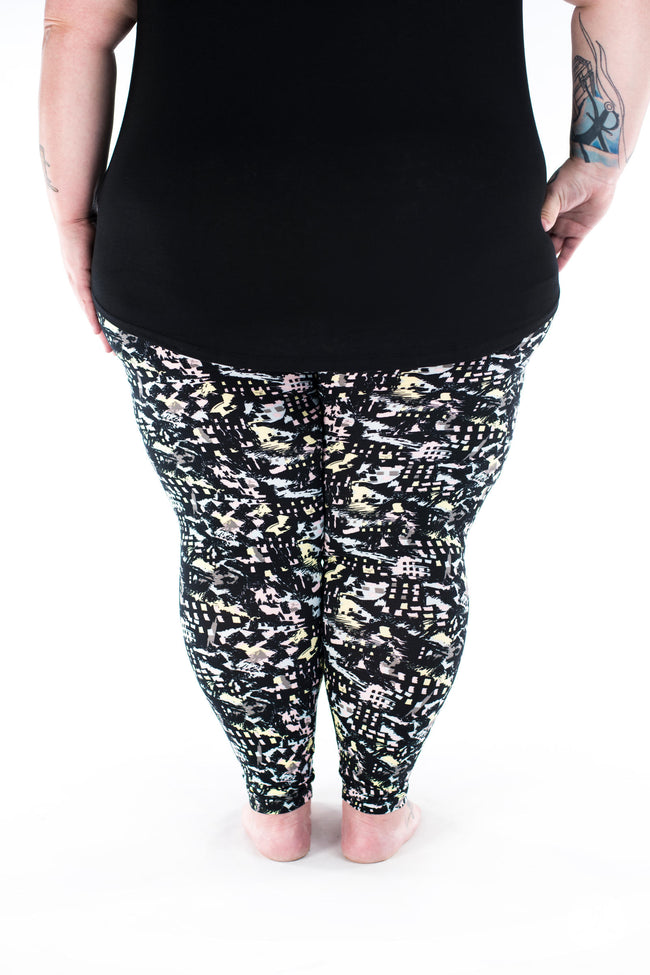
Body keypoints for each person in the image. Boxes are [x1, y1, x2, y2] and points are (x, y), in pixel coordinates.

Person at [39, 0, 649, 863]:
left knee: (236, 549)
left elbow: (78, 27)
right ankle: (376, 812)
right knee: (405, 549)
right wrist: (600, 162)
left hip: (192, 243)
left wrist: (72, 213)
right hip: (449, 241)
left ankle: (273, 812)